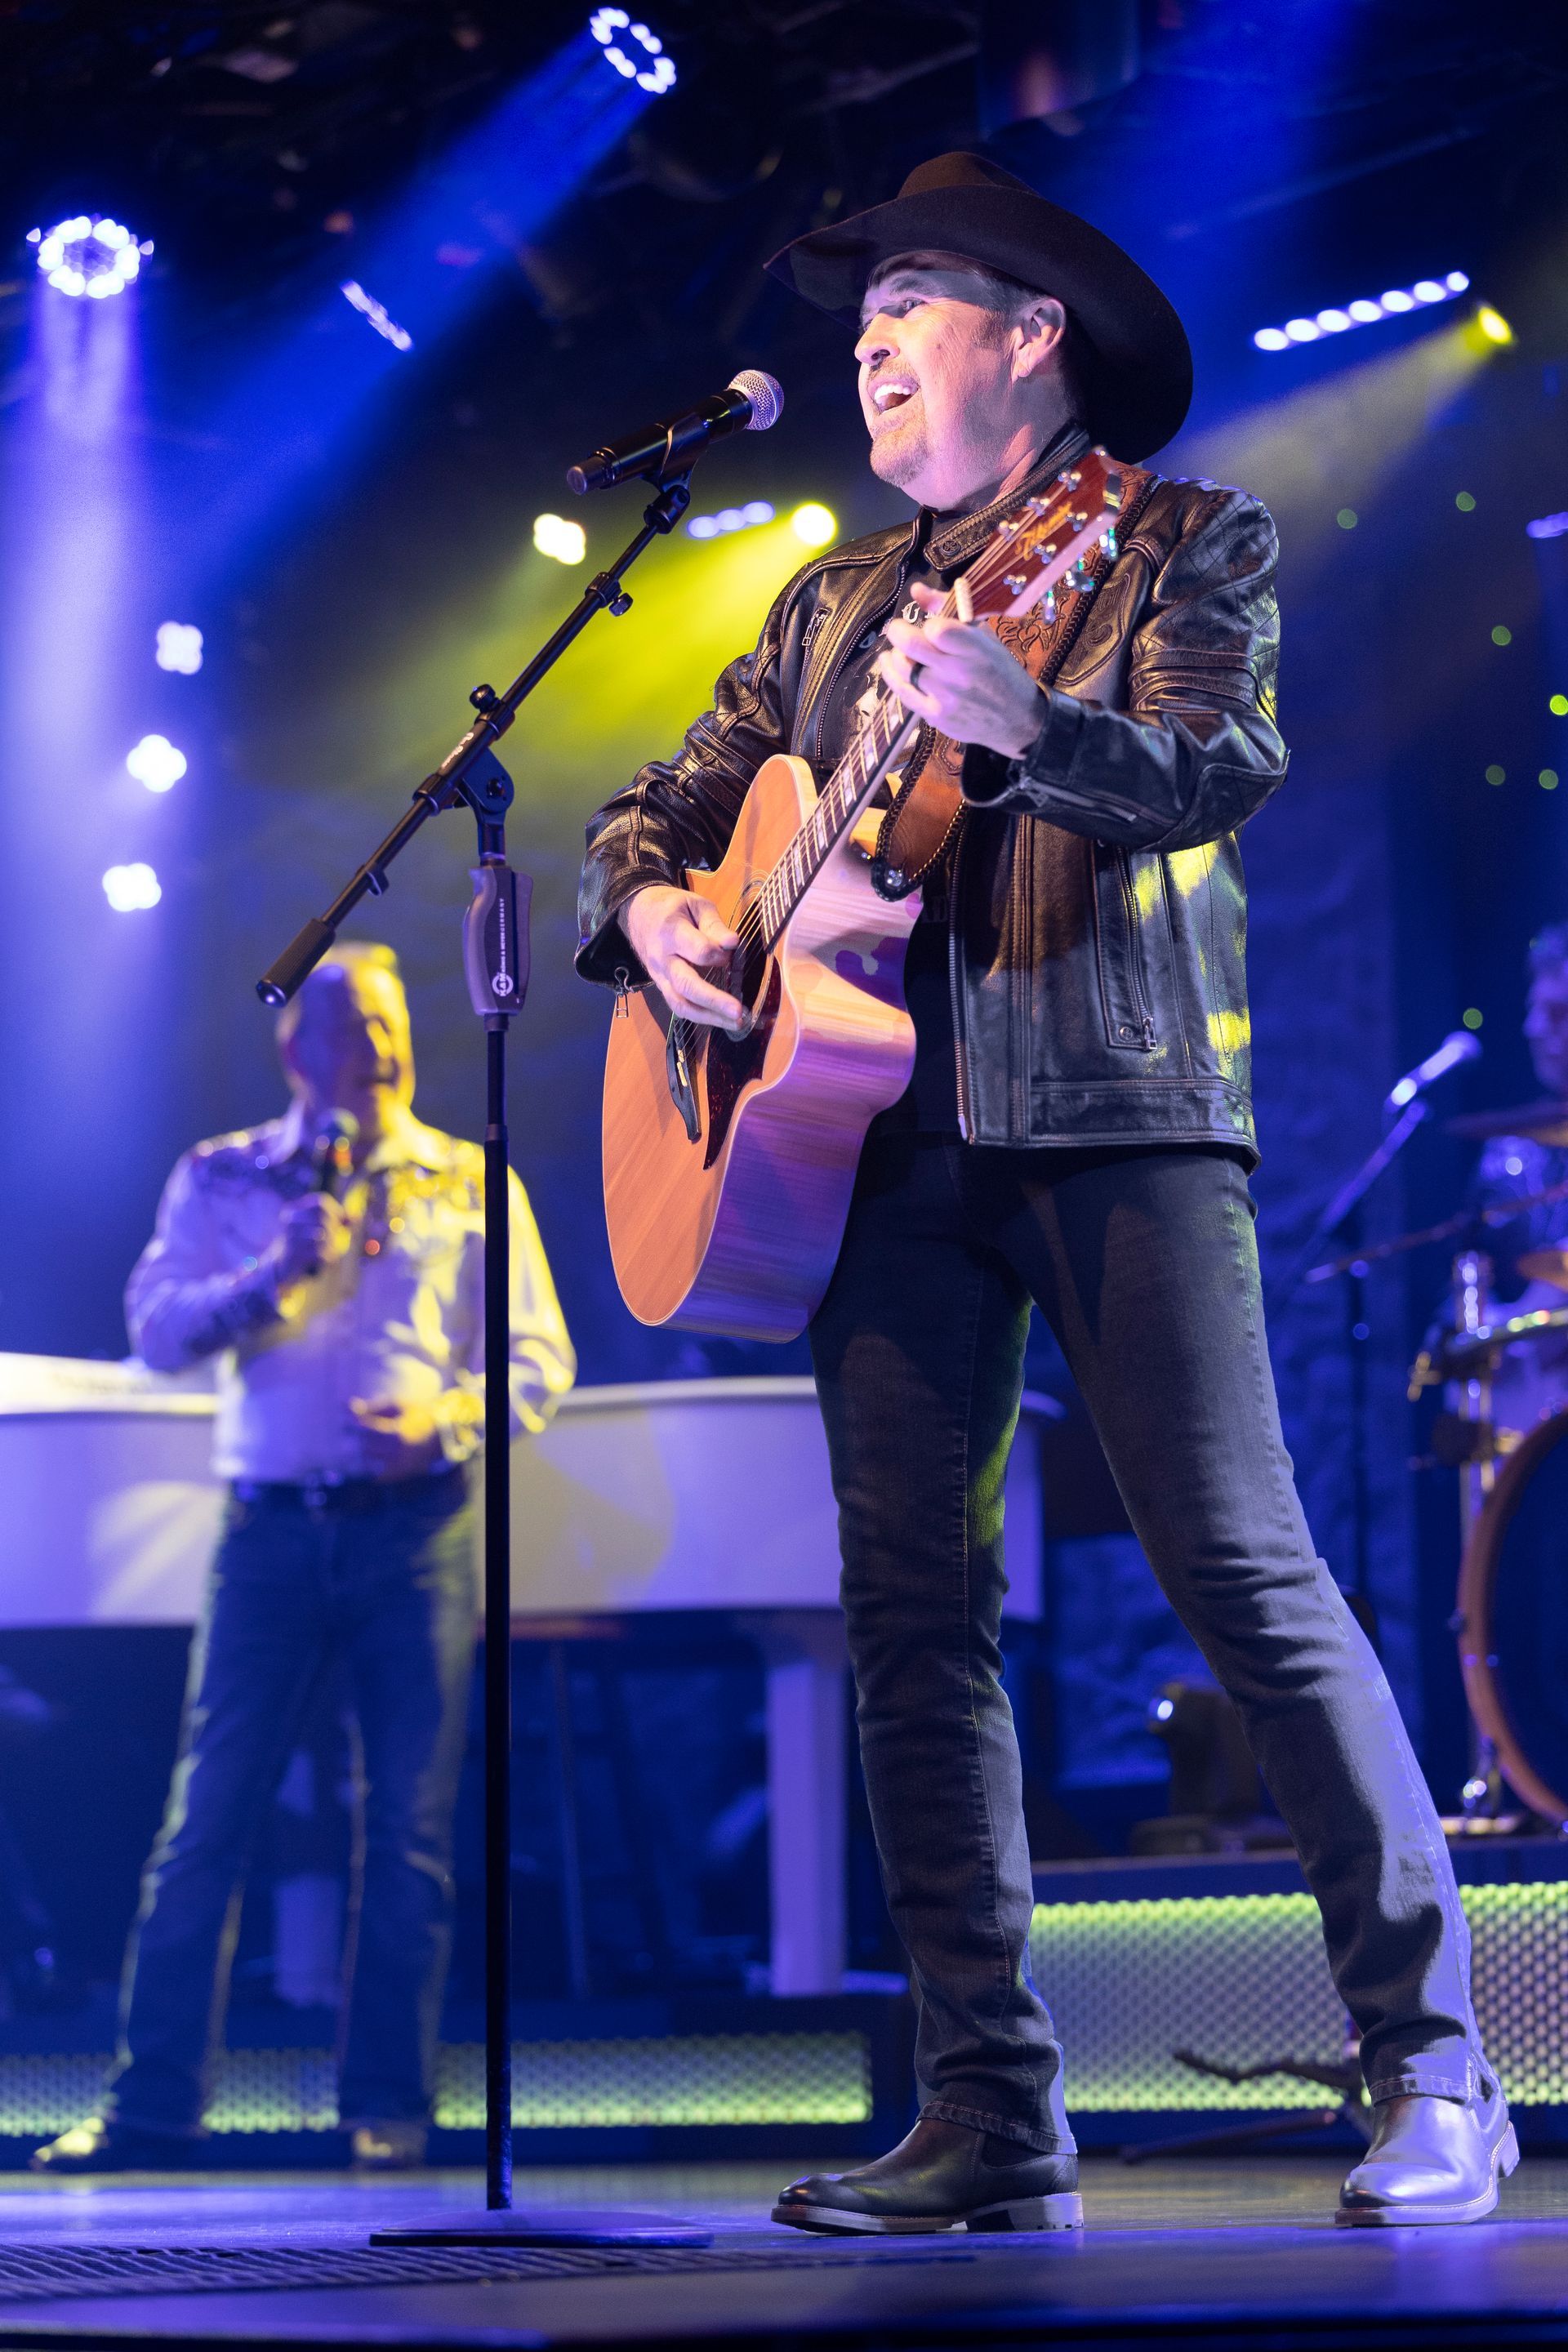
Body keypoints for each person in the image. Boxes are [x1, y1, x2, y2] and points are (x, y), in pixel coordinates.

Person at [577, 153, 1513, 2230]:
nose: (868, 347)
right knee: (915, 1619)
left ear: (1031, 335)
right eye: (857, 324)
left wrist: (1029, 731)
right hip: (867, 1141)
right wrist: (650, 912)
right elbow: (654, 806)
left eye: (908, 304)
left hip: (1114, 1108)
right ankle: (991, 2113)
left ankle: (1437, 2066)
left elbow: (1219, 763)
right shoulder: (824, 604)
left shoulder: (1178, 532)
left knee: (1242, 1572)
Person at [32, 942, 574, 2173]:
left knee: (411, 1834)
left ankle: (385, 2111)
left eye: (393, 1024)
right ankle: (150, 2111)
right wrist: (271, 1273)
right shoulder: (223, 1176)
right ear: (295, 1048)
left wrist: (446, 1421)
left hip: (417, 1529)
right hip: (267, 1532)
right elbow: (155, 1332)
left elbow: (538, 1355)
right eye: (352, 1026)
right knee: (206, 1818)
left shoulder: (469, 1179)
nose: (380, 1048)